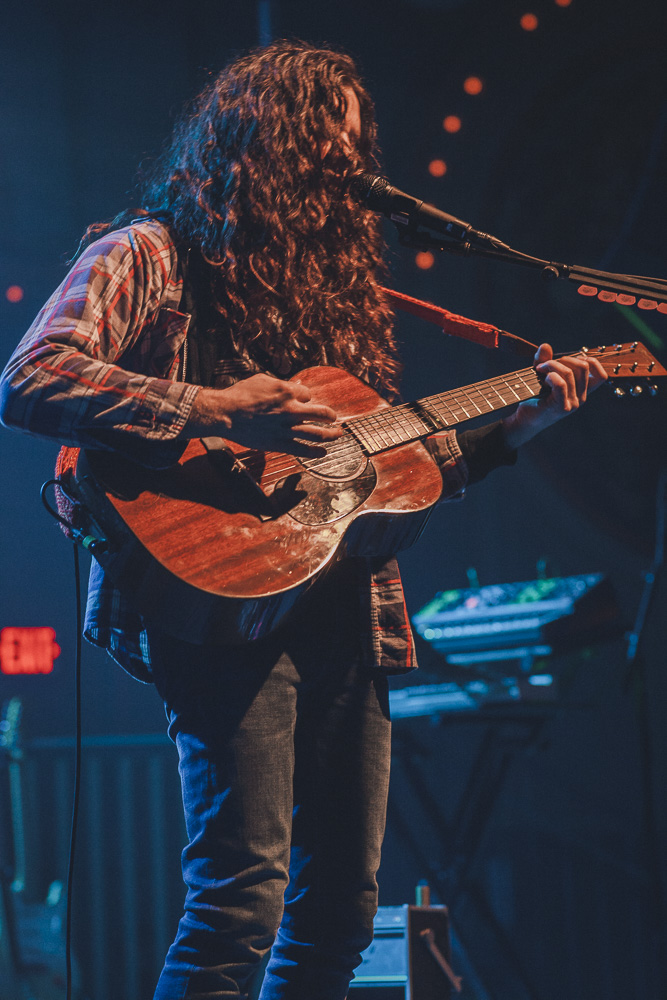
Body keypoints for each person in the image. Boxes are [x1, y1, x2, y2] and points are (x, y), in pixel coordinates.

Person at [0, 39, 605, 1000]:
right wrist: (220, 408)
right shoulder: (148, 253)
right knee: (241, 900)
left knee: (341, 911)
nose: (351, 172)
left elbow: (385, 478)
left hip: (343, 608)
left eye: (358, 149)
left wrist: (520, 427)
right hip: (211, 601)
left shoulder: (334, 299)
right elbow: (32, 376)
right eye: (329, 146)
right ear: (261, 142)